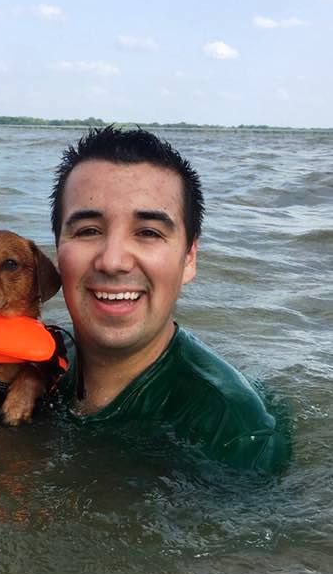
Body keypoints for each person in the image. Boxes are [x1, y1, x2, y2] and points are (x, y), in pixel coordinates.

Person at [49, 126, 290, 473]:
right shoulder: (37, 369)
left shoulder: (237, 437)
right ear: (58, 250)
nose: (113, 261)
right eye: (88, 230)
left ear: (189, 257)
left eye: (148, 232)